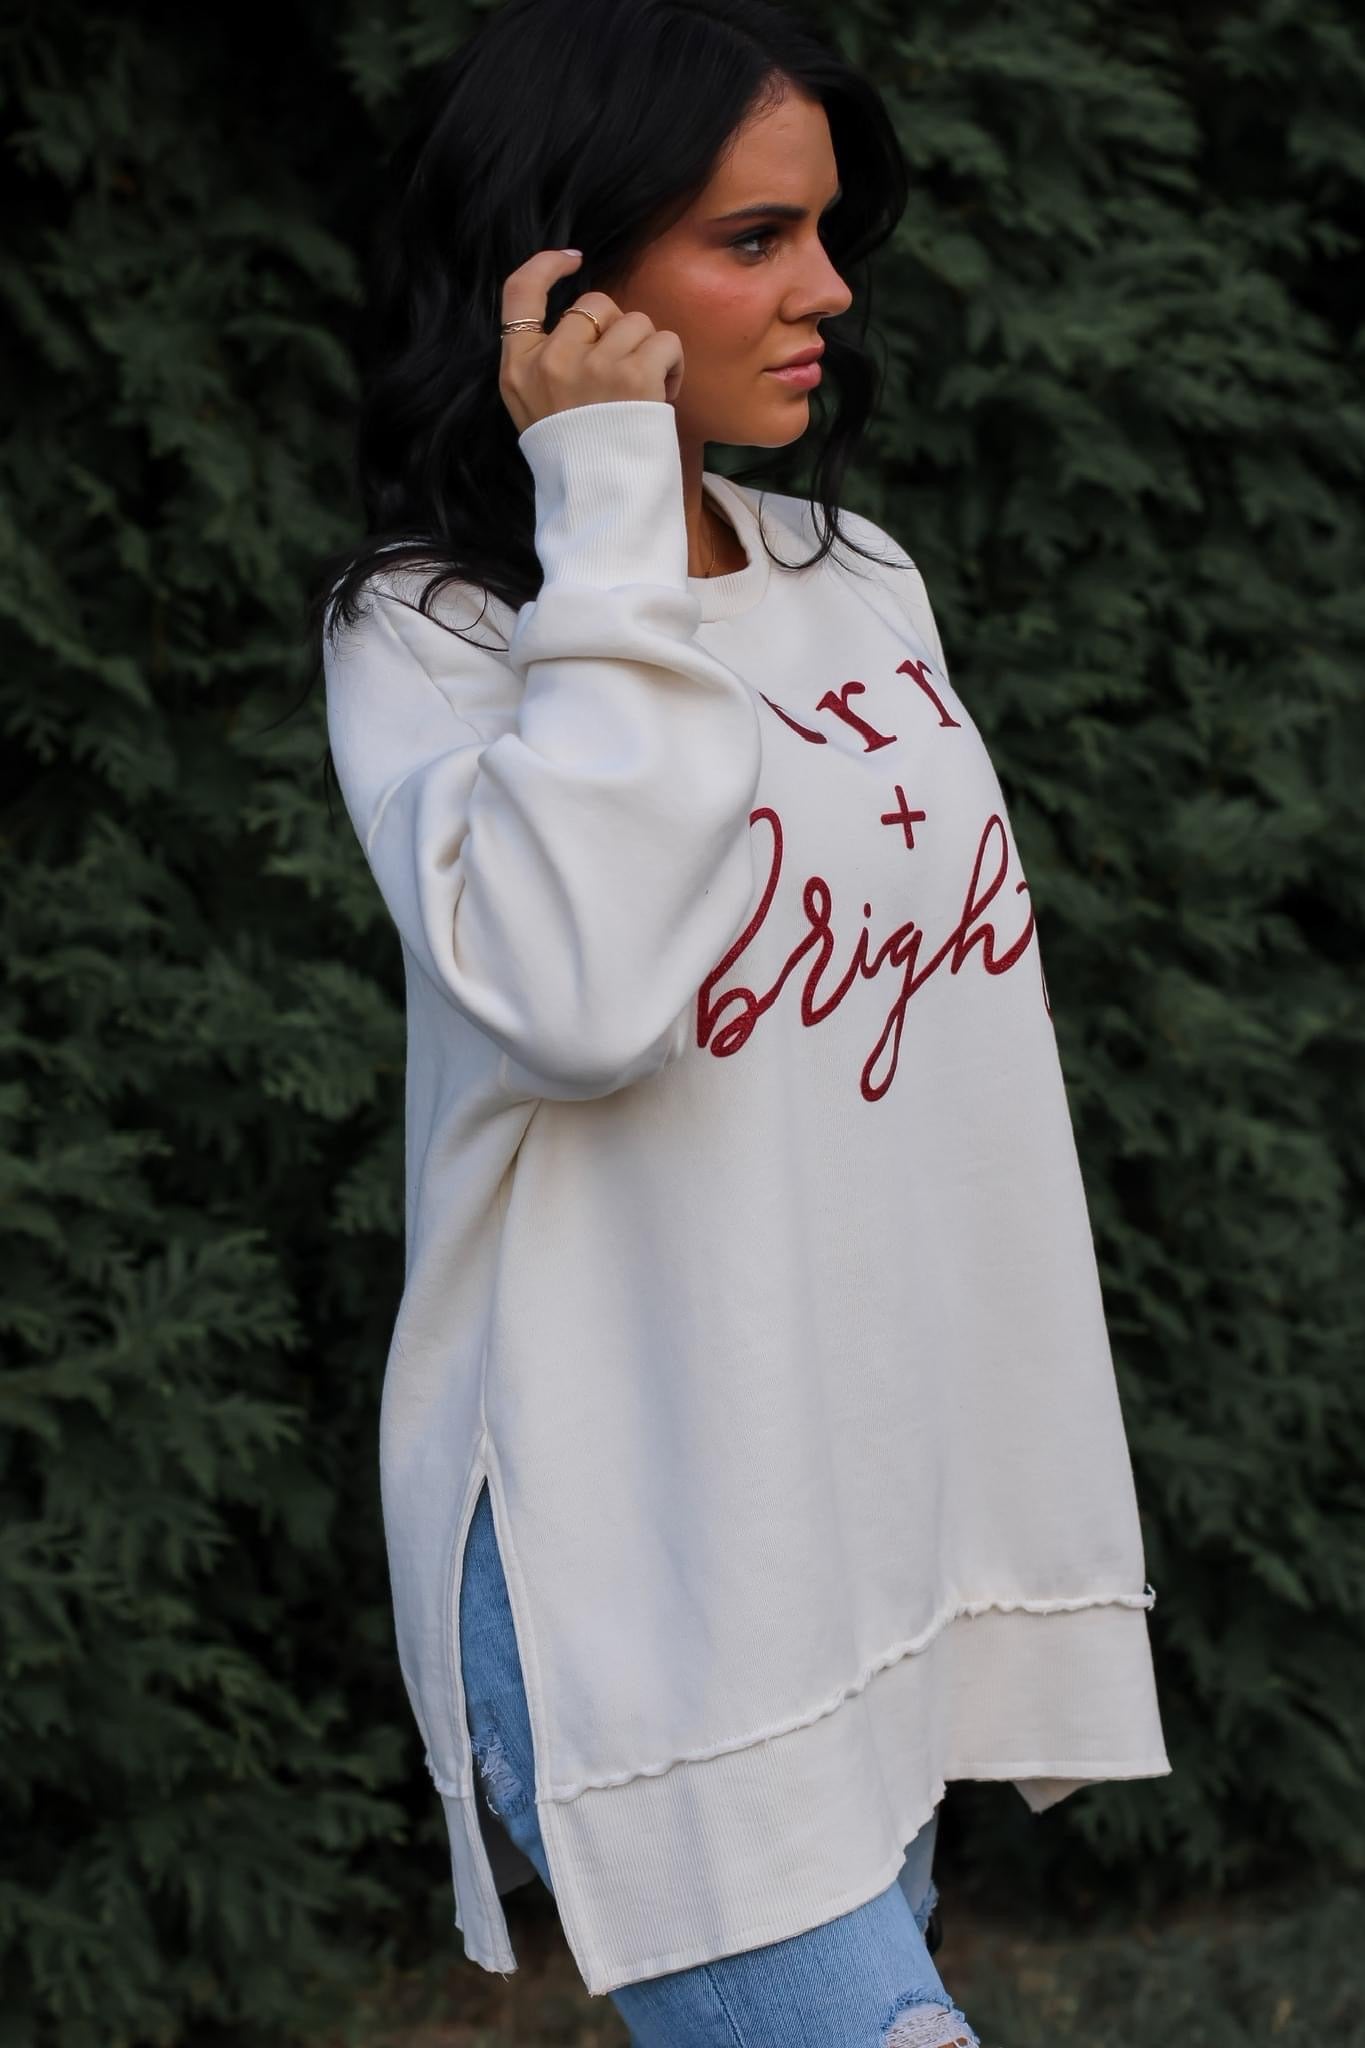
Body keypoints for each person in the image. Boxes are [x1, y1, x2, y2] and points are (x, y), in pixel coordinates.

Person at [315, 1, 1172, 2039]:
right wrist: (606, 496)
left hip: (854, 1526)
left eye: (822, 231)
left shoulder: (851, 575)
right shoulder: (435, 639)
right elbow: (581, 999)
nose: (828, 290)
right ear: (563, 278)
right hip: (632, 1563)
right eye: (753, 238)